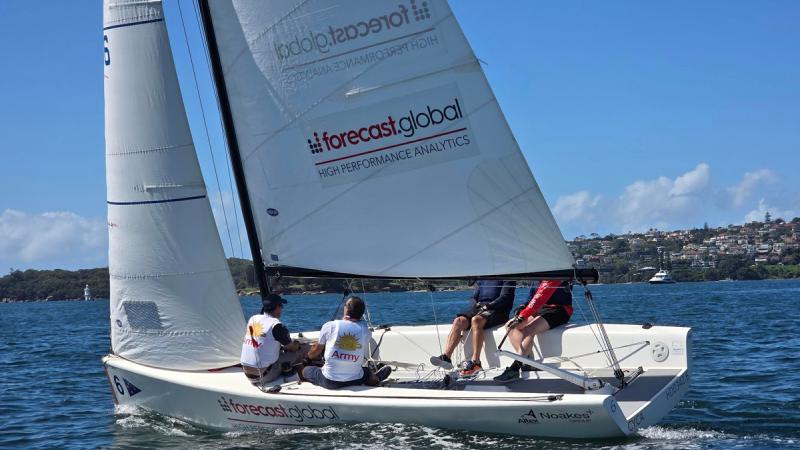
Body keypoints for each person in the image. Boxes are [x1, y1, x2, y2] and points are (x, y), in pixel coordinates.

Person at [300, 296, 391, 389]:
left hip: (330, 381)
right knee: (366, 372)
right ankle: (376, 379)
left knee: (305, 370)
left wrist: (307, 359)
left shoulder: (330, 326)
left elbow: (316, 351)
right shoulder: (366, 332)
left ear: (346, 309)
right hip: (355, 379)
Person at [430, 280, 516, 376]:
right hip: (480, 309)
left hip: (498, 311)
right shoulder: (483, 279)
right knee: (458, 321)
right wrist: (476, 305)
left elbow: (506, 297)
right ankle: (446, 357)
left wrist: (488, 305)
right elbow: (473, 298)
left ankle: (476, 363)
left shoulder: (507, 278)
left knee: (476, 320)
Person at [493, 280, 573, 382]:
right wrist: (522, 307)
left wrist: (522, 317)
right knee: (510, 326)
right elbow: (532, 297)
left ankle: (515, 368)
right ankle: (527, 361)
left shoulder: (553, 277)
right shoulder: (537, 279)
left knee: (529, 329)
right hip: (541, 308)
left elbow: (540, 297)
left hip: (560, 310)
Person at [240, 293, 307, 385]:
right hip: (265, 376)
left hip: (247, 374)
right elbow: (292, 348)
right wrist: (298, 344)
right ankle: (303, 377)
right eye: (281, 306)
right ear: (276, 308)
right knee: (301, 352)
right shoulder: (276, 325)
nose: (282, 308)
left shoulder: (253, 319)